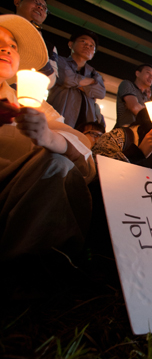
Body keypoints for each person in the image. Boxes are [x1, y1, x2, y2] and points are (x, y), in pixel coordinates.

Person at [0, 14, 95, 262]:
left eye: (13, 45)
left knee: (59, 163)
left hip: (14, 197)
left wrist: (48, 137)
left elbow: (82, 146)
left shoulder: (30, 103)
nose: (6, 49)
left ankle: (38, 266)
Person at [47, 29, 106, 129]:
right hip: (58, 119)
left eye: (92, 46)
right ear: (70, 44)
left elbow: (101, 92)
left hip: (85, 125)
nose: (87, 46)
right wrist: (92, 82)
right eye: (83, 41)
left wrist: (75, 82)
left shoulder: (94, 73)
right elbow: (67, 79)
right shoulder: (59, 61)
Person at [14, 0, 58, 89]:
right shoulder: (3, 26)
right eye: (36, 2)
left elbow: (50, 82)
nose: (40, 7)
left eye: (45, 8)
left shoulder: (49, 47)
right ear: (17, 2)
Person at [115, 63, 152, 128]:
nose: (151, 77)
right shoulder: (127, 84)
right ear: (137, 73)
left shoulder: (147, 98)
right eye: (148, 73)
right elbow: (134, 107)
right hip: (124, 131)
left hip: (139, 133)